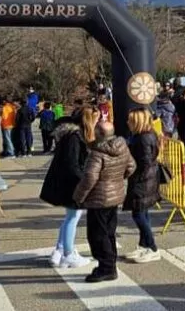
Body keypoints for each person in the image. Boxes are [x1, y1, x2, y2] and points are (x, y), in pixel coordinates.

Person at [72, 121, 136, 283]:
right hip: (115, 195)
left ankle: (106, 268)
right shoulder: (122, 147)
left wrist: (79, 197)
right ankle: (109, 264)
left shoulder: (97, 153)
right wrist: (117, 179)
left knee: (97, 235)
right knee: (109, 232)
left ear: (99, 134)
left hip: (98, 198)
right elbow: (131, 166)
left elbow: (90, 178)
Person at [40, 108, 98, 269]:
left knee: (71, 218)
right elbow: (71, 164)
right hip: (71, 183)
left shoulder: (73, 135)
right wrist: (85, 180)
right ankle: (68, 253)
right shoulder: (74, 137)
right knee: (73, 217)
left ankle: (61, 248)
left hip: (68, 181)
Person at [123, 108, 162, 263]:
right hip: (148, 178)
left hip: (143, 180)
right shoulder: (146, 134)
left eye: (130, 120)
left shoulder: (143, 138)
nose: (127, 122)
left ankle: (152, 247)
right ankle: (143, 245)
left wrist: (131, 173)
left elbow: (145, 162)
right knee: (143, 212)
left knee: (138, 214)